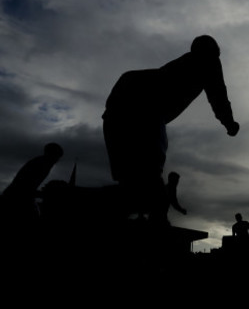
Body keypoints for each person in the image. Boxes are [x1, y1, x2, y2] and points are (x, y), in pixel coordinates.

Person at [102, 35, 239, 219]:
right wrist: (229, 123)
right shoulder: (209, 61)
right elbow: (218, 96)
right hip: (142, 108)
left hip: (119, 107)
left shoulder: (179, 65)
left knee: (132, 182)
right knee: (150, 188)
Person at [3, 143, 64, 222]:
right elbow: (24, 187)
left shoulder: (41, 163)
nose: (57, 160)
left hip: (17, 196)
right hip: (17, 197)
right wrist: (46, 195)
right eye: (57, 157)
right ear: (51, 154)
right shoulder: (41, 164)